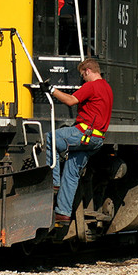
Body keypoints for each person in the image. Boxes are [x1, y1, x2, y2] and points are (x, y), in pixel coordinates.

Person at [43, 57, 113, 225]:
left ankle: (53, 183)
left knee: (52, 137)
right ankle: (63, 214)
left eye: (83, 75)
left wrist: (51, 89)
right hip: (97, 139)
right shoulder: (108, 88)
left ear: (88, 71)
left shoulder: (91, 86)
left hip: (84, 134)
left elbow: (70, 101)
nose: (83, 79)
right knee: (72, 172)